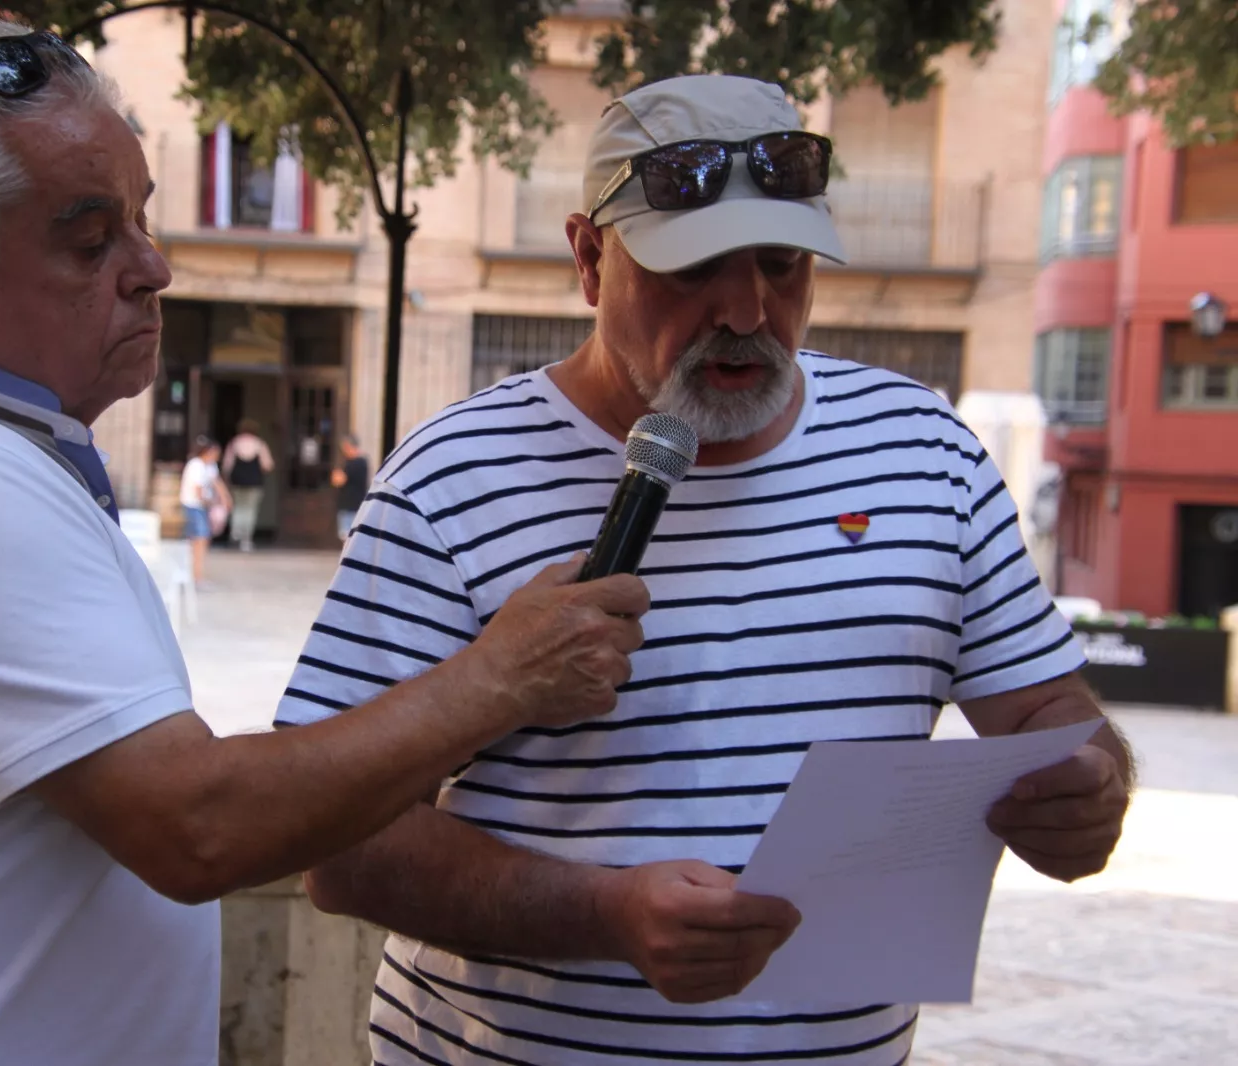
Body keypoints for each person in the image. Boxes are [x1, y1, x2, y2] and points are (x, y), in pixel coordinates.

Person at [0, 17, 651, 1066]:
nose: (155, 269)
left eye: (141, 221)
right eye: (91, 240)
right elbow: (197, 825)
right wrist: (499, 678)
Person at [276, 74, 1134, 1066]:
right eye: (694, 269)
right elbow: (340, 849)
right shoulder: (450, 478)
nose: (745, 309)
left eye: (781, 263)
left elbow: (1044, 716)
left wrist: (1090, 780)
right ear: (590, 259)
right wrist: (603, 913)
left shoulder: (926, 453)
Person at [181, 435, 229, 583]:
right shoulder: (196, 465)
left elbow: (217, 482)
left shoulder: (210, 466)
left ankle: (198, 574)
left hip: (203, 507)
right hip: (193, 506)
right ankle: (195, 575)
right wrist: (213, 502)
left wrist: (226, 498)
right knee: (198, 539)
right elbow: (198, 490)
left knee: (203, 539)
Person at [221, 418, 274, 551]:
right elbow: (267, 465)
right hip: (254, 481)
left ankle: (235, 534)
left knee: (237, 507)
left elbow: (227, 466)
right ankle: (246, 539)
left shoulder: (234, 443)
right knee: (250, 510)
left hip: (237, 481)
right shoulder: (259, 444)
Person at [329, 432, 369, 542]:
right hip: (354, 505)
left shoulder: (356, 463)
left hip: (350, 506)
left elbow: (338, 480)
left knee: (347, 537)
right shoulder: (360, 462)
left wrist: (337, 475)